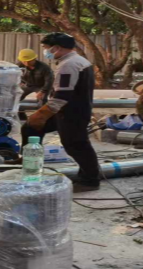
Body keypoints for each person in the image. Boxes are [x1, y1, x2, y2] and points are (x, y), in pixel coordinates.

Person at [22, 33, 100, 192]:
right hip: (67, 110)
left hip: (71, 112)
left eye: (46, 48)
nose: (45, 51)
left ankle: (90, 180)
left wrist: (42, 114)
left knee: (76, 144)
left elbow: (62, 96)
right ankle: (29, 164)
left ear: (56, 48)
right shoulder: (78, 61)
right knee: (30, 128)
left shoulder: (68, 65)